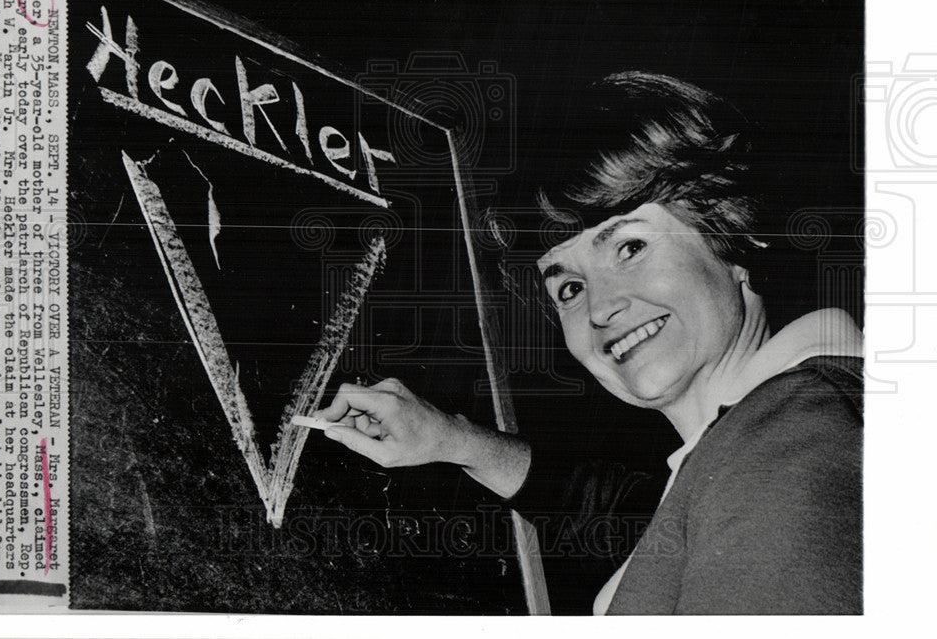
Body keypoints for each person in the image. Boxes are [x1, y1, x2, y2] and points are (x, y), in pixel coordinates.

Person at [314, 71, 863, 614]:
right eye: (570, 287)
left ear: (731, 236)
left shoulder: (782, 445)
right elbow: (626, 516)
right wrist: (453, 440)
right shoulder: (769, 431)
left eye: (629, 248)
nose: (600, 308)